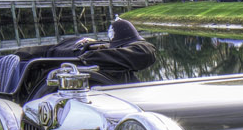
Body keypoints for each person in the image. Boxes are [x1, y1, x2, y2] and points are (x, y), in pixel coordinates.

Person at [14, 18, 156, 85]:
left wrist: (89, 58)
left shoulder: (93, 49)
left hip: (54, 55)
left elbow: (146, 52)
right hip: (51, 58)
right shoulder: (88, 46)